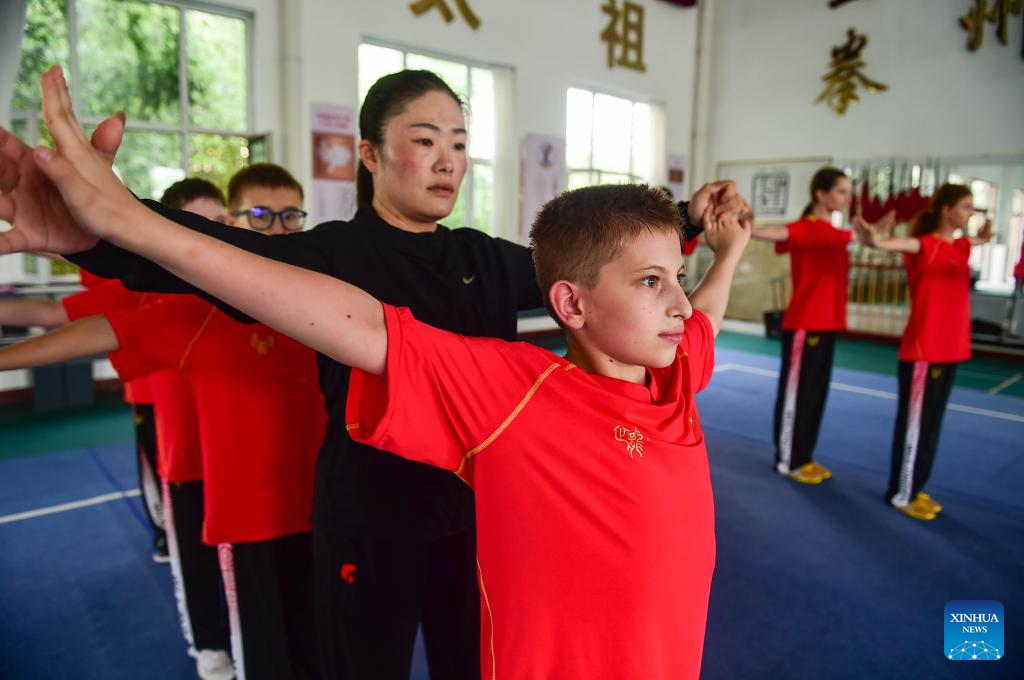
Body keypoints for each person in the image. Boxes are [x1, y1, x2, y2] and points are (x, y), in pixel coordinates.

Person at [0, 65, 750, 680]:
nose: (449, 159)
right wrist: (105, 232)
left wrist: (689, 221)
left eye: (460, 142)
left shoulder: (482, 259)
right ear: (369, 154)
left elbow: (598, 269)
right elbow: (230, 265)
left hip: (473, 519)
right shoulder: (333, 256)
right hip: (369, 513)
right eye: (425, 140)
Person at [0, 177, 235, 679]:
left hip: (236, 458)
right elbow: (52, 312)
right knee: (192, 551)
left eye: (220, 222)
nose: (212, 234)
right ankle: (209, 644)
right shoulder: (143, 290)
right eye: (198, 224)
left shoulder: (246, 292)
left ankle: (237, 636)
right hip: (184, 452)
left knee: (240, 563)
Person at [855, 184, 992, 521]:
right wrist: (874, 240)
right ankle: (902, 493)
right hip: (924, 352)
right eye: (965, 206)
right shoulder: (924, 245)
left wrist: (984, 237)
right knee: (915, 427)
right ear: (946, 210)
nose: (970, 213)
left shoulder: (960, 246)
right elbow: (892, 244)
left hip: (951, 350)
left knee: (930, 426)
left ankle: (914, 486)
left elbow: (975, 241)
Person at [751, 167, 894, 484]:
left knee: (815, 395)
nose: (847, 197)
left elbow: (856, 238)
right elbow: (775, 233)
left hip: (827, 324)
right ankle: (788, 460)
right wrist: (744, 226)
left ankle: (803, 456)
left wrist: (875, 232)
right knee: (797, 395)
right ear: (821, 193)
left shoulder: (834, 232)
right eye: (842, 191)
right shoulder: (807, 228)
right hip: (804, 324)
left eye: (848, 192)